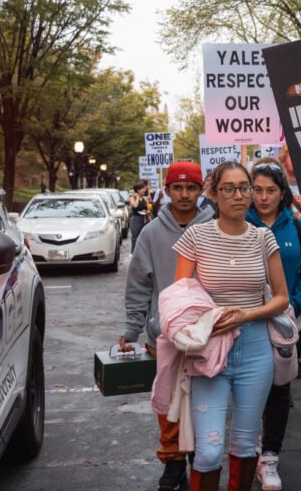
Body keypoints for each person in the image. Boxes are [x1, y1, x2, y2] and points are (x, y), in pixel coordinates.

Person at [172, 162, 290, 490]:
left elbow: (281, 298)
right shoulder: (196, 235)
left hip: (255, 351)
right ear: (214, 193)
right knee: (208, 452)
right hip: (209, 351)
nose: (238, 196)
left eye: (244, 188)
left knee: (244, 443)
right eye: (229, 188)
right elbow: (178, 298)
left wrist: (247, 315)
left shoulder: (264, 238)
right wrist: (208, 321)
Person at [121, 162, 213, 491]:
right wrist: (132, 329)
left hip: (208, 335)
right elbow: (138, 286)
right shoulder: (151, 233)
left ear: (201, 190)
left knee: (205, 401)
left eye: (191, 188)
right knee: (167, 404)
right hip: (163, 335)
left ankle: (200, 456)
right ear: (168, 190)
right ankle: (173, 461)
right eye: (178, 188)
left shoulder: (215, 227)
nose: (185, 194)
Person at [246, 160, 301, 491]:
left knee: (279, 388)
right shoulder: (236, 222)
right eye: (257, 190)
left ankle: (270, 456)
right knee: (248, 389)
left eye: (271, 191)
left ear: (282, 193)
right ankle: (247, 449)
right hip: (244, 322)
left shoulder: (298, 226)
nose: (263, 197)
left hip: (283, 322)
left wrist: (296, 303)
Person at [129, 182, 149, 252]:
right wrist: (137, 197)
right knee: (135, 236)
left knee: (144, 237)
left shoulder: (145, 198)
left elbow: (148, 208)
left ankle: (143, 252)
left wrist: (147, 211)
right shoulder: (132, 198)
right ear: (138, 190)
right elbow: (135, 206)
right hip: (135, 219)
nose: (144, 190)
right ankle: (134, 252)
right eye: (142, 189)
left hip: (144, 219)